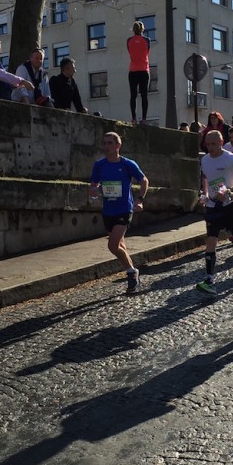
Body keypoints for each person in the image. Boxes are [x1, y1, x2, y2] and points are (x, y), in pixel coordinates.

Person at [195, 130, 233, 295]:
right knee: (211, 240)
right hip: (214, 206)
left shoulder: (231, 158)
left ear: (221, 142)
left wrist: (229, 191)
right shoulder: (205, 159)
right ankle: (210, 279)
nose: (210, 147)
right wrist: (205, 195)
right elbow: (205, 179)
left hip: (232, 205)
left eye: (213, 144)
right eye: (207, 144)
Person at [89, 132, 149, 294]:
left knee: (112, 244)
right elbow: (94, 184)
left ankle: (131, 271)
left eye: (110, 143)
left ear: (118, 146)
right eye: (104, 143)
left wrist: (140, 199)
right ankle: (133, 273)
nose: (106, 146)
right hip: (108, 210)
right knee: (120, 245)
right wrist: (93, 191)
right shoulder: (99, 165)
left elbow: (143, 180)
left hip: (124, 209)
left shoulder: (128, 164)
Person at [127, 21, 151, 123]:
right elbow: (147, 52)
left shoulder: (129, 40)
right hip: (144, 70)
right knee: (144, 95)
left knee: (133, 95)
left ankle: (133, 118)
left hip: (133, 70)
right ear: (142, 29)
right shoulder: (147, 40)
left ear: (133, 29)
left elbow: (129, 51)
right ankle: (144, 118)